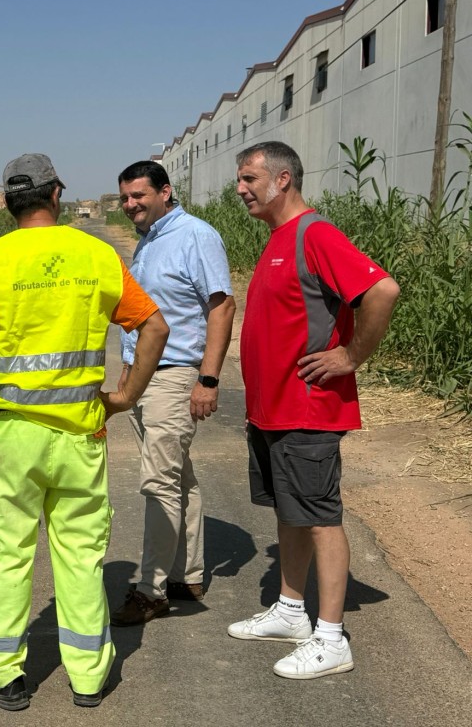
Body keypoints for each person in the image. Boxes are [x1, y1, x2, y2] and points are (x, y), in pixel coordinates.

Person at [0, 153, 169, 710]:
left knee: (5, 553)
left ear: (8, 202)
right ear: (55, 195)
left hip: (13, 437)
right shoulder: (98, 255)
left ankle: (2, 677)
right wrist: (124, 398)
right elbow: (154, 328)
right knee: (79, 557)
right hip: (81, 437)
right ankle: (90, 678)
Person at [228, 141, 399, 679]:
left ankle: (330, 638)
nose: (240, 188)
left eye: (250, 178)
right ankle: (289, 610)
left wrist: (350, 356)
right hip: (273, 411)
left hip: (307, 410)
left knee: (321, 517)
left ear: (283, 180)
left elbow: (382, 290)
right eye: (240, 179)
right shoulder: (280, 239)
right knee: (291, 511)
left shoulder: (314, 234)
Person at [110, 161, 236, 626]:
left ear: (165, 191)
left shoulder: (194, 235)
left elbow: (221, 306)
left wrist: (207, 379)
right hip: (148, 376)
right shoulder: (150, 241)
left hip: (176, 374)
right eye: (124, 198)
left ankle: (151, 589)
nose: (130, 205)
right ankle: (187, 573)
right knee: (178, 477)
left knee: (158, 482)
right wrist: (128, 374)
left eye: (139, 196)